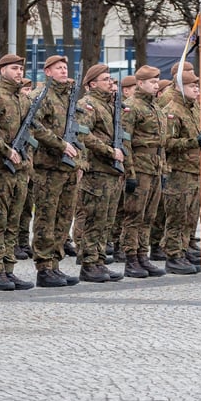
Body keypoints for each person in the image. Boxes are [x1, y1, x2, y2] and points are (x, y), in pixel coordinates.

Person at [0, 53, 35, 291]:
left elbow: (34, 129)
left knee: (14, 222)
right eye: (13, 68)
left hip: (20, 171)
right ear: (2, 71)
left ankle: (9, 269)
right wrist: (5, 149)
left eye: (20, 69)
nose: (19, 72)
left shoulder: (23, 100)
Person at [162, 69, 201, 274]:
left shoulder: (196, 109)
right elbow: (167, 142)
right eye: (191, 86)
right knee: (177, 216)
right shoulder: (173, 110)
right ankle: (173, 255)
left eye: (197, 86)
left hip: (196, 171)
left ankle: (184, 249)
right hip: (179, 171)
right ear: (180, 87)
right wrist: (192, 142)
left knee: (190, 217)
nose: (196, 89)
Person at [30, 55, 82, 287]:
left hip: (68, 168)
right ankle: (43, 266)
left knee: (63, 218)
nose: (63, 70)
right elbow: (35, 126)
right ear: (47, 72)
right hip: (48, 167)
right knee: (46, 218)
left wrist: (79, 162)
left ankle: (55, 263)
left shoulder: (69, 98)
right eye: (57, 68)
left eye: (65, 67)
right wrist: (60, 145)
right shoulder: (43, 96)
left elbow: (78, 132)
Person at [75, 63, 125, 282]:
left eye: (111, 80)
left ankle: (99, 261)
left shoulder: (110, 105)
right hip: (96, 170)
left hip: (111, 172)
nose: (111, 83)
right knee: (94, 219)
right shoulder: (87, 105)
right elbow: (83, 135)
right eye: (106, 80)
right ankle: (88, 263)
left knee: (106, 221)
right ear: (92, 83)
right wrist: (109, 151)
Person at [120, 65, 167, 277]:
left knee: (149, 215)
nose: (156, 85)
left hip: (155, 166)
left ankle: (142, 255)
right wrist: (129, 172)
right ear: (140, 83)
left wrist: (163, 169)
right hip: (139, 167)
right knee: (134, 215)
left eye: (157, 82)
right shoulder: (131, 107)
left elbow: (161, 142)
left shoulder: (155, 107)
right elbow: (125, 141)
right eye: (152, 82)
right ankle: (131, 258)